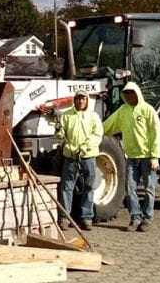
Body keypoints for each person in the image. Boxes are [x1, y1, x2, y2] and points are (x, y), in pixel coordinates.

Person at [102, 80, 160, 232]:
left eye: (131, 93)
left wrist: (155, 156)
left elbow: (156, 133)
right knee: (130, 189)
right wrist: (95, 132)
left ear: (137, 94)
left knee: (149, 189)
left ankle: (147, 219)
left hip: (147, 157)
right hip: (131, 157)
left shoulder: (148, 110)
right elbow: (109, 125)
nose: (129, 96)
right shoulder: (123, 111)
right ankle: (135, 218)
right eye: (127, 93)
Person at [55, 89, 103, 231]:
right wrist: (58, 130)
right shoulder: (66, 115)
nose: (81, 101)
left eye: (83, 99)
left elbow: (97, 135)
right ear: (74, 100)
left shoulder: (93, 116)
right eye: (78, 99)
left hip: (88, 156)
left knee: (89, 187)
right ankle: (65, 218)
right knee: (67, 187)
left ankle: (86, 218)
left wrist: (85, 147)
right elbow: (60, 136)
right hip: (71, 157)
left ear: (87, 100)